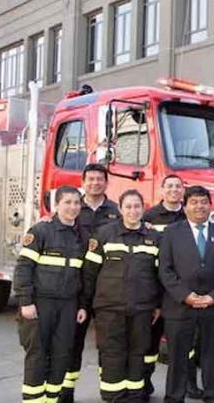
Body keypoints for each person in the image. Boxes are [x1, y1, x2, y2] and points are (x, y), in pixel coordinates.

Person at [81, 189, 162, 402]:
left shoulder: (154, 238)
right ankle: (113, 395)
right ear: (120, 209)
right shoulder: (104, 235)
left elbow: (161, 276)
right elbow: (89, 273)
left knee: (138, 351)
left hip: (142, 308)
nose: (133, 211)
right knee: (112, 352)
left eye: (137, 206)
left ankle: (136, 394)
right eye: (128, 206)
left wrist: (158, 305)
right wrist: (85, 304)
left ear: (143, 209)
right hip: (109, 308)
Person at [159, 186, 214, 403]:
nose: (199, 206)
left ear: (210, 206)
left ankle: (212, 394)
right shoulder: (171, 233)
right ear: (184, 207)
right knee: (177, 356)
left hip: (212, 306)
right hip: (180, 306)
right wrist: (185, 295)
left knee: (212, 355)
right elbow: (165, 269)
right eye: (193, 202)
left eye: (203, 202)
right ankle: (174, 396)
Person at [14, 186, 88, 403]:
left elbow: (85, 276)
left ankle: (52, 399)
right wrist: (26, 301)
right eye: (67, 202)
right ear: (57, 205)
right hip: (40, 303)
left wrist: (82, 305)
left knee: (61, 355)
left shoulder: (83, 236)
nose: (73, 207)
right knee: (37, 355)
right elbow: (24, 267)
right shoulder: (40, 231)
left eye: (76, 203)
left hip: (68, 305)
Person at [61, 163, 120, 403]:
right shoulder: (75, 207)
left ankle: (110, 391)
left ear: (107, 182)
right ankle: (66, 392)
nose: (95, 183)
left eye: (100, 179)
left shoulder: (117, 210)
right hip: (78, 284)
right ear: (83, 182)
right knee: (72, 342)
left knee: (108, 343)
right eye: (91, 179)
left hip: (109, 285)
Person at [141, 174, 192, 399]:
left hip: (181, 290)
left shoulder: (189, 214)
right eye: (169, 186)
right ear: (162, 190)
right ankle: (144, 383)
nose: (174, 190)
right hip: (155, 288)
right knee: (150, 342)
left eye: (178, 186)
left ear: (183, 190)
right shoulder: (149, 216)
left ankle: (189, 384)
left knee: (184, 344)